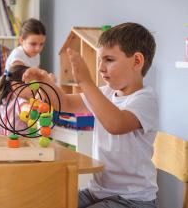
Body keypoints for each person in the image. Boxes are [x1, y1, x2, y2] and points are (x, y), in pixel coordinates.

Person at [23, 23, 158, 208]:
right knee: (47, 202)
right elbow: (65, 103)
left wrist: (86, 82)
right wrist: (46, 83)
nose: (101, 68)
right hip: (97, 192)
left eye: (109, 59)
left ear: (137, 61)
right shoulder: (106, 93)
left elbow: (115, 124)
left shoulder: (145, 99)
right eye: (100, 60)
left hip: (132, 200)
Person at [0, 64, 31, 136]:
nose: (35, 88)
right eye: (30, 84)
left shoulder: (1, 101)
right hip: (16, 145)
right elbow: (27, 109)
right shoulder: (19, 101)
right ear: (16, 86)